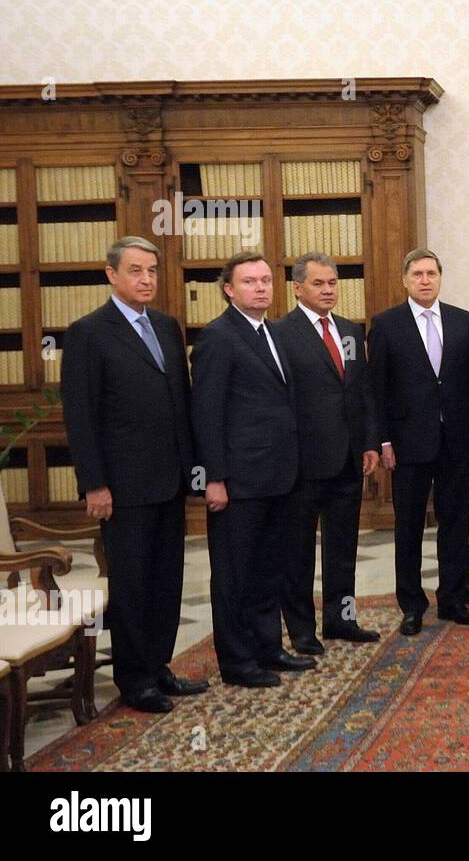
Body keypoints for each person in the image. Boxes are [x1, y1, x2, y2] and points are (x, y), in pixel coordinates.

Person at [61, 236, 208, 713]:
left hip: (169, 479)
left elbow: (181, 406)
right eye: (136, 270)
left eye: (151, 271)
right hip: (122, 486)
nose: (146, 279)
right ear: (112, 275)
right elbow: (80, 415)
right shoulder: (89, 332)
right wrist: (94, 483)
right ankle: (133, 679)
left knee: (167, 580)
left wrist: (194, 473)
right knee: (131, 583)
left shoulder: (166, 326)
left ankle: (159, 666)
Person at [191, 252, 312, 687]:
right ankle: (238, 662)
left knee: (269, 569)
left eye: (265, 280)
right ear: (229, 290)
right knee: (234, 575)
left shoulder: (273, 333)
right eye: (249, 282)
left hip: (280, 475)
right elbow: (207, 413)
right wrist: (214, 478)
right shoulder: (217, 338)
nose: (261, 288)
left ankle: (268, 648)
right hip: (238, 481)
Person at [368, 250, 469, 634]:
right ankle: (412, 605)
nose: (425, 280)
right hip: (408, 443)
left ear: (440, 277)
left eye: (431, 273)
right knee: (410, 526)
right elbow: (377, 390)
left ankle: (454, 599)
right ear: (405, 279)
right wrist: (383, 440)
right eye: (417, 274)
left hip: (455, 438)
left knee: (456, 521)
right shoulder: (386, 324)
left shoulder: (461, 320)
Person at [274, 253, 382, 653]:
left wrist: (369, 442)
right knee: (298, 551)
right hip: (303, 463)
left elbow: (362, 391)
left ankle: (342, 618)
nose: (328, 290)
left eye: (333, 283)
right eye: (319, 284)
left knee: (343, 548)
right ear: (298, 287)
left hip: (349, 458)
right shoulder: (280, 333)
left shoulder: (351, 331)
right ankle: (302, 630)